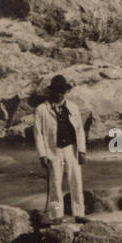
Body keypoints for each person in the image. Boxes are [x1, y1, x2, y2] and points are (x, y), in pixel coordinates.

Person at [34, 74, 87, 220]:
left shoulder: (73, 108)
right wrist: (42, 155)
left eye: (61, 92)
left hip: (71, 149)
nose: (58, 94)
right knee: (55, 184)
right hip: (53, 150)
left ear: (65, 92)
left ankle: (79, 213)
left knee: (76, 181)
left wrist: (82, 151)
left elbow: (80, 130)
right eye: (56, 91)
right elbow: (38, 134)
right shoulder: (41, 110)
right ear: (51, 92)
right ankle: (56, 215)